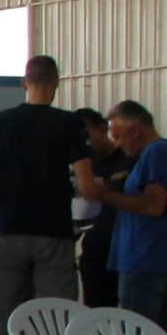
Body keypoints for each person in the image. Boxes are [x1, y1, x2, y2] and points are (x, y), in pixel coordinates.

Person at [0, 53, 91, 312]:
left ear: (23, 82)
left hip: (8, 229)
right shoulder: (71, 123)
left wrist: (3, 199)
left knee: (3, 310)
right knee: (55, 313)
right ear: (56, 82)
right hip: (54, 229)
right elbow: (87, 185)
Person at [79, 98, 167, 334]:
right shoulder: (165, 153)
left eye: (118, 136)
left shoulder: (157, 153)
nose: (117, 144)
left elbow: (153, 205)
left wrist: (104, 195)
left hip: (145, 260)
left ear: (135, 130)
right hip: (159, 260)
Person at [74, 106, 127, 310]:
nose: (84, 143)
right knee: (97, 316)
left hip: (125, 250)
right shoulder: (83, 167)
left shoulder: (127, 158)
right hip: (95, 253)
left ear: (102, 128)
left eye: (86, 135)